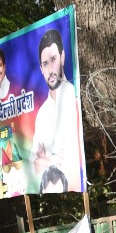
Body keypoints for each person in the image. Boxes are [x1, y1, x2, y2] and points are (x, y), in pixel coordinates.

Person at [31, 28, 82, 191]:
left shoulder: (74, 100)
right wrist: (51, 160)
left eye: (53, 59)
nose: (51, 69)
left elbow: (75, 160)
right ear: (41, 68)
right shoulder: (42, 114)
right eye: (45, 63)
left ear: (62, 57)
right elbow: (35, 166)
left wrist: (48, 160)